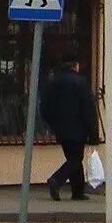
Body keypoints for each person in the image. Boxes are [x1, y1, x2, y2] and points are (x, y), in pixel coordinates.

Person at [40, 51, 101, 201]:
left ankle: (77, 192)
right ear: (76, 66)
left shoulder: (53, 83)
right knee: (75, 160)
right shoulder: (80, 83)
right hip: (78, 129)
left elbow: (44, 107)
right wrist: (93, 133)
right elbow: (88, 109)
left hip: (61, 129)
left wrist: (53, 123)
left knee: (73, 159)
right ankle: (56, 180)